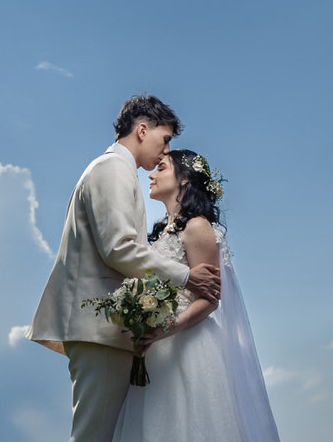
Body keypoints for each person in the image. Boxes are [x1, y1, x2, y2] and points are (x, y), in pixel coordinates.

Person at [27, 95, 221, 442]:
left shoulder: (116, 170)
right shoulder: (113, 169)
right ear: (142, 130)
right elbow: (118, 249)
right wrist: (187, 276)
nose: (165, 152)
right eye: (164, 140)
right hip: (98, 327)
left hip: (108, 329)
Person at [112, 149, 281, 442]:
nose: (151, 174)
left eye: (161, 168)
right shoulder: (163, 233)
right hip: (157, 351)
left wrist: (165, 328)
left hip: (189, 347)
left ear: (185, 179)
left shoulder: (197, 227)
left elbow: (210, 299)